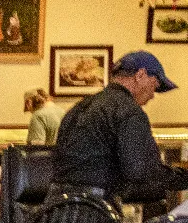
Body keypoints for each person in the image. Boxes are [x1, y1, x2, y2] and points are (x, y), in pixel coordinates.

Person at [52, 51, 188, 206]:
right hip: (94, 211)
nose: (152, 95)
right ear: (140, 75)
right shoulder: (129, 111)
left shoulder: (80, 107)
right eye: (154, 86)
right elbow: (141, 172)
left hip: (54, 209)